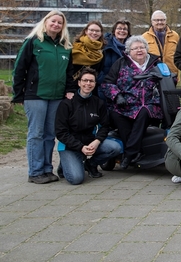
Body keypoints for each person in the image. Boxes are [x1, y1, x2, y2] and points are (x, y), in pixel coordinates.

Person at [12, 10, 76, 184]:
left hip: (56, 96)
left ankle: (47, 169)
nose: (56, 25)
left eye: (60, 23)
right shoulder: (33, 42)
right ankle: (35, 171)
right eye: (53, 21)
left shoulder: (65, 46)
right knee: (36, 133)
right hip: (35, 95)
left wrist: (69, 89)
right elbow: (19, 68)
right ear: (46, 22)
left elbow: (69, 72)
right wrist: (18, 94)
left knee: (50, 134)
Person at [101, 36, 164, 169]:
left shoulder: (156, 64)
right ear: (129, 51)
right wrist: (117, 96)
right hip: (126, 104)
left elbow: (169, 81)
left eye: (142, 47)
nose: (139, 50)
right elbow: (107, 83)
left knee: (143, 112)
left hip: (150, 104)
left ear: (146, 49)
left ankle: (129, 154)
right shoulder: (121, 63)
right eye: (135, 48)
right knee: (116, 114)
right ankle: (136, 152)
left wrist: (157, 98)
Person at [55, 68, 121, 185]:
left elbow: (105, 126)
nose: (88, 84)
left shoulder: (98, 103)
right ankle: (65, 164)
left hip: (90, 142)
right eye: (85, 80)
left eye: (91, 81)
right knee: (76, 179)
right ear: (79, 82)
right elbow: (61, 132)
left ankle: (90, 164)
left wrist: (96, 141)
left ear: (95, 84)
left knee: (116, 147)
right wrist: (80, 147)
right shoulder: (66, 104)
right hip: (70, 145)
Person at [142, 10, 180, 81]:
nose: (159, 22)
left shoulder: (175, 36)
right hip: (153, 75)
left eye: (162, 20)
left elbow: (179, 55)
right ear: (152, 22)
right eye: (157, 20)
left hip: (171, 74)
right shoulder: (144, 37)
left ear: (166, 21)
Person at [98, 19, 131, 89]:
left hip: (126, 87)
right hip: (106, 86)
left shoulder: (132, 48)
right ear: (114, 31)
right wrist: (103, 81)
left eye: (125, 29)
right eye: (119, 28)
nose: (122, 31)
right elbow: (98, 68)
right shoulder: (104, 45)